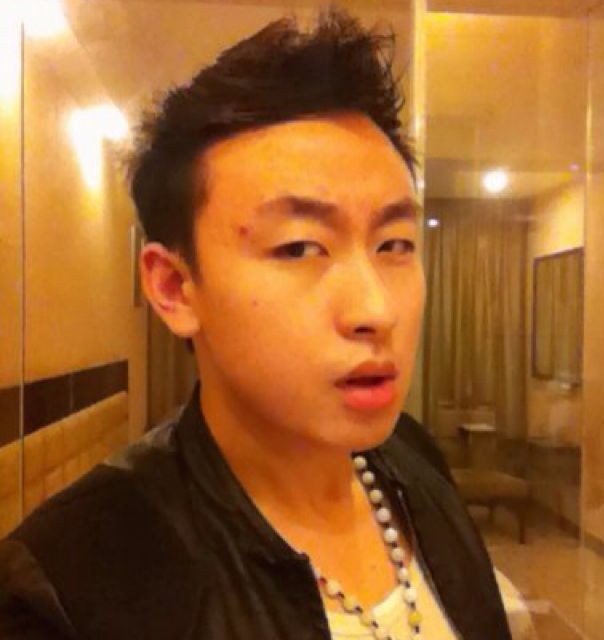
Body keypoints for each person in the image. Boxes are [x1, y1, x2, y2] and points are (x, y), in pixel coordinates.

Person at [0, 10, 526, 640]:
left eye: (394, 245)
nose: (376, 310)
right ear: (174, 287)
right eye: (300, 248)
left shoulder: (414, 460)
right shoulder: (69, 585)